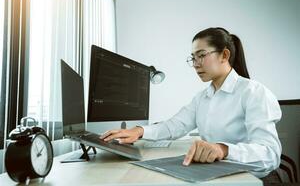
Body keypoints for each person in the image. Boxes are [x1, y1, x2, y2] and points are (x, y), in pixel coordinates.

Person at [100, 27, 282, 178]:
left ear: (224, 55)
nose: (195, 64)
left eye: (201, 55)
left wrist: (223, 150)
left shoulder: (254, 93)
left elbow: (270, 155)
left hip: (250, 178)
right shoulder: (203, 97)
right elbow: (175, 126)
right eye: (193, 57)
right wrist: (139, 131)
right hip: (220, 174)